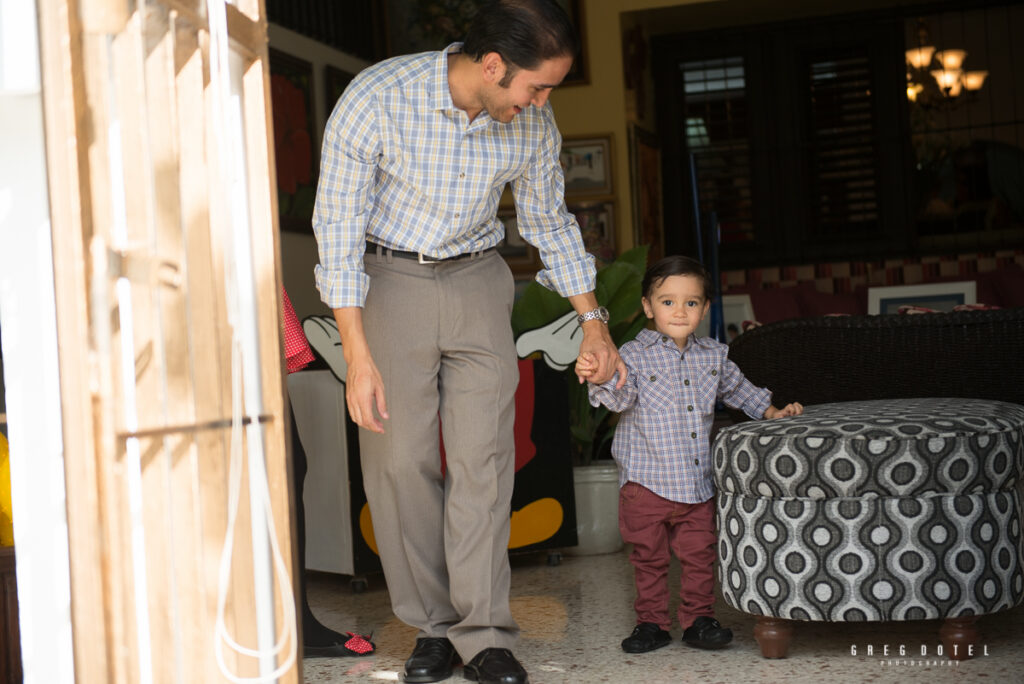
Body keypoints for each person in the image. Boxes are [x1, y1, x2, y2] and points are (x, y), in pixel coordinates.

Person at [311, 2, 624, 682]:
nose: (542, 103)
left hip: (481, 279)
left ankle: (483, 634)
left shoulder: (530, 120)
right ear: (490, 65)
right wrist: (357, 356)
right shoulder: (377, 98)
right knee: (399, 464)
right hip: (389, 279)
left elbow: (549, 220)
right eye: (535, 87)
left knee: (484, 460)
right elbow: (336, 234)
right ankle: (431, 627)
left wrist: (594, 321)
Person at [576, 255, 802, 654]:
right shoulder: (633, 355)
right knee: (649, 560)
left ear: (705, 308)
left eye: (691, 302)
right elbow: (619, 395)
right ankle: (651, 624)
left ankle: (699, 620)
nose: (679, 311)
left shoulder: (713, 356)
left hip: (696, 486)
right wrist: (599, 372)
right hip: (645, 484)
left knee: (700, 558)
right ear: (648, 306)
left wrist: (771, 412)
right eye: (667, 301)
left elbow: (739, 391)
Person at [282, 287, 376, 658]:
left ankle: (294, 620)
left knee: (286, 466)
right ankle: (291, 623)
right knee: (278, 467)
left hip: (235, 271)